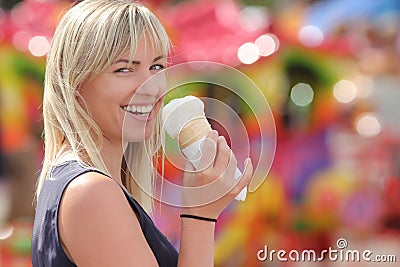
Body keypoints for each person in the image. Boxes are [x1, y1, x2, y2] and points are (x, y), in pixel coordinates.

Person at [31, 0, 253, 266]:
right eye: (124, 69)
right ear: (74, 84)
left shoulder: (85, 185)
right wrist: (200, 216)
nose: (150, 88)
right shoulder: (91, 192)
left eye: (156, 67)